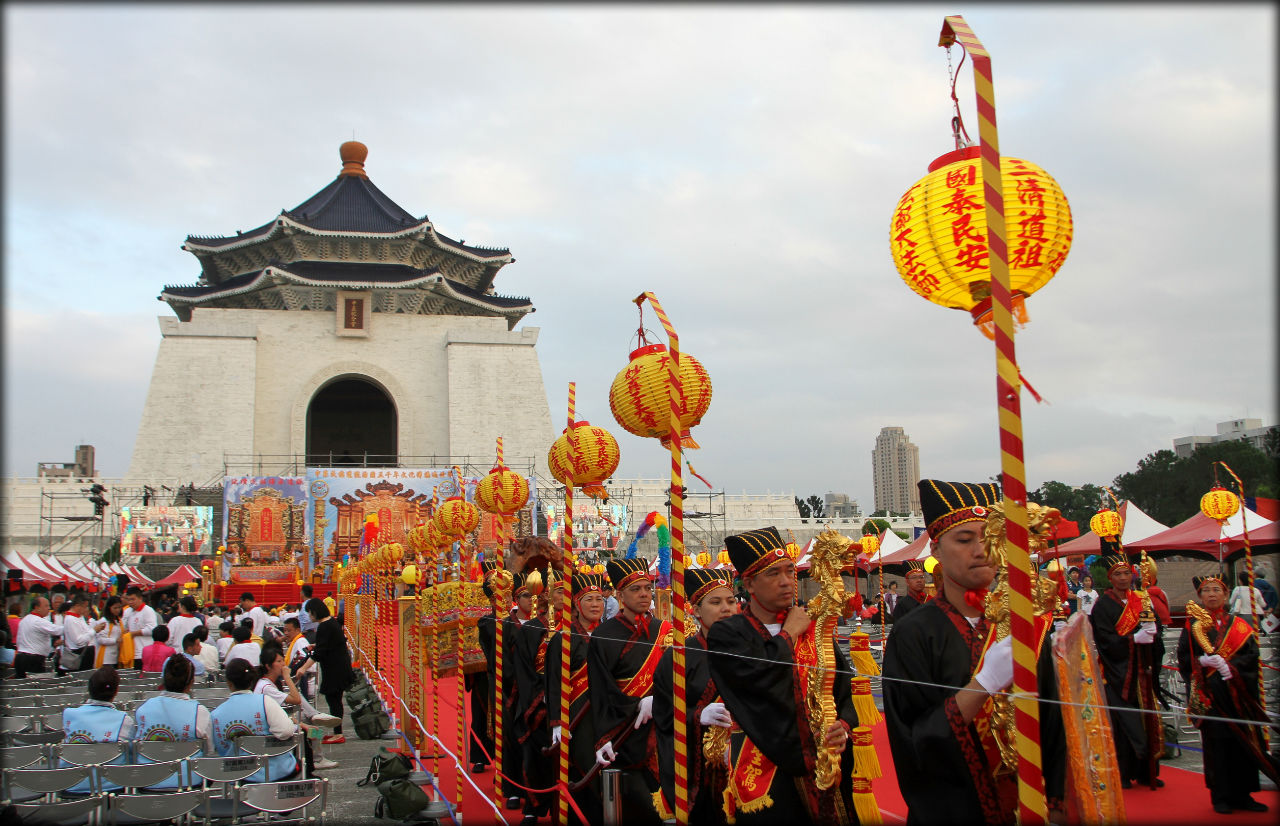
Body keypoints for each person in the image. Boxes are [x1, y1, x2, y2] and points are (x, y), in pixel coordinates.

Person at [883, 480, 1064, 825]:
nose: (981, 550)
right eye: (964, 540)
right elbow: (915, 742)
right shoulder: (913, 633)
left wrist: (1057, 800)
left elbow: (1053, 721)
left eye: (990, 537)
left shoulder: (1024, 623)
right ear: (935, 550)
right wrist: (984, 683)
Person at [705, 527, 860, 824]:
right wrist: (789, 633)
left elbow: (841, 688)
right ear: (749, 584)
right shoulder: (729, 634)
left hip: (823, 764)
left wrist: (843, 723)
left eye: (790, 571)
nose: (787, 582)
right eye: (773, 574)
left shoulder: (813, 629)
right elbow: (759, 682)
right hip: (764, 765)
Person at [1176, 573, 1279, 814]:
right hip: (1211, 695)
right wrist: (1201, 661)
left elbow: (1252, 657)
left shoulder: (1240, 626)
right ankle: (1220, 796)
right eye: (1207, 590)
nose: (1212, 594)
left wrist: (1231, 667)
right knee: (1218, 746)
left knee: (1244, 743)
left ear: (1226, 594)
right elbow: (1183, 657)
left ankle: (1245, 795)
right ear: (1200, 596)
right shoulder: (1192, 625)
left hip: (1238, 694)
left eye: (1216, 589)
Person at [588, 558, 672, 826]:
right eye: (636, 589)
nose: (644, 594)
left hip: (665, 725)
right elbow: (603, 690)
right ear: (620, 595)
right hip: (627, 727)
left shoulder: (665, 631)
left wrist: (659, 700)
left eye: (647, 588)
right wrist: (636, 705)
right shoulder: (603, 635)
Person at [653, 567, 735, 824]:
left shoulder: (755, 651)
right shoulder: (678, 657)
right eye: (716, 602)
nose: (726, 608)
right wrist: (698, 715)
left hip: (744, 764)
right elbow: (664, 713)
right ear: (696, 610)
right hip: (697, 767)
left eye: (731, 601)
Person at [1090, 542, 1164, 790]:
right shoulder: (1103, 605)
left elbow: (1155, 633)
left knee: (1148, 720)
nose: (1122, 578)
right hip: (1118, 672)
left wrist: (1152, 636)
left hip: (1142, 670)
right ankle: (1122, 773)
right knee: (1123, 724)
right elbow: (1105, 640)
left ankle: (1147, 771)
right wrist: (1133, 639)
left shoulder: (1142, 600)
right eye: (1117, 574)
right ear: (1110, 578)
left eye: (1125, 573)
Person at [544, 569, 608, 826]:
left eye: (599, 599)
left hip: (604, 716)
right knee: (579, 767)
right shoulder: (563, 639)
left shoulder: (608, 635)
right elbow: (553, 682)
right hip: (575, 716)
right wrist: (557, 721)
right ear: (577, 604)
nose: (595, 605)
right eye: (589, 600)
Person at [511, 567, 563, 824]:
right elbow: (523, 669)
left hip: (568, 701)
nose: (564, 597)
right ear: (547, 595)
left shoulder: (574, 627)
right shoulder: (532, 629)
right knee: (535, 757)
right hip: (537, 701)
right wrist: (539, 696)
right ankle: (533, 804)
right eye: (560, 591)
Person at [210, 658, 303, 782]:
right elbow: (286, 731)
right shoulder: (265, 701)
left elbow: (216, 748)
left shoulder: (216, 714)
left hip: (238, 776)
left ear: (229, 683)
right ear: (251, 680)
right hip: (276, 771)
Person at [254, 644, 339, 770]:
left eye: (283, 660)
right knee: (312, 730)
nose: (283, 664)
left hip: (277, 722)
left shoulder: (267, 683)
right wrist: (287, 677)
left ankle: (318, 755)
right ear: (268, 666)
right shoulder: (266, 687)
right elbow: (296, 700)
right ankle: (317, 759)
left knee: (312, 728)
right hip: (272, 729)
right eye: (279, 661)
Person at [134, 655, 211, 789]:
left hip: (147, 781)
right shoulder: (199, 712)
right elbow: (209, 751)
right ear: (191, 681)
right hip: (189, 783)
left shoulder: (144, 709)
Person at [60, 666, 134, 792]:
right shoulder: (125, 720)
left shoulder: (69, 714)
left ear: (89, 689)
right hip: (112, 785)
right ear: (116, 691)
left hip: (72, 784)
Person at [294, 597, 353, 745]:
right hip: (337, 666)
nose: (309, 616)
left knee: (334, 700)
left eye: (309, 613)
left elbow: (319, 654)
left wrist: (303, 668)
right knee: (334, 699)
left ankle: (338, 733)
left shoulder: (325, 626)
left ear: (315, 612)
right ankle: (336, 732)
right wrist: (316, 645)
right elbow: (328, 644)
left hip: (335, 668)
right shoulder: (330, 623)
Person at [14, 595, 61, 678]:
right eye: (46, 606)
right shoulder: (38, 621)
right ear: (37, 607)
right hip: (32, 659)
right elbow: (57, 630)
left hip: (21, 657)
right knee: (34, 686)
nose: (48, 608)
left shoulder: (25, 619)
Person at [59, 592, 96, 675]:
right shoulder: (70, 619)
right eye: (85, 606)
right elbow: (78, 641)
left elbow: (86, 632)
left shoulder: (80, 617)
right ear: (77, 605)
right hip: (78, 655)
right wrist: (94, 631)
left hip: (87, 653)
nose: (86, 609)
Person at [123, 586, 158, 670]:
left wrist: (134, 633)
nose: (130, 602)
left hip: (143, 652)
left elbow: (152, 629)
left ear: (140, 598)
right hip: (130, 652)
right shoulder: (127, 611)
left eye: (133, 599)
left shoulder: (148, 611)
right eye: (128, 600)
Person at [92, 595, 130, 669]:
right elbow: (100, 639)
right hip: (105, 658)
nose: (117, 610)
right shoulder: (104, 621)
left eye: (119, 607)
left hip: (116, 657)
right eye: (115, 608)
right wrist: (115, 640)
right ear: (109, 608)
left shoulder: (119, 621)